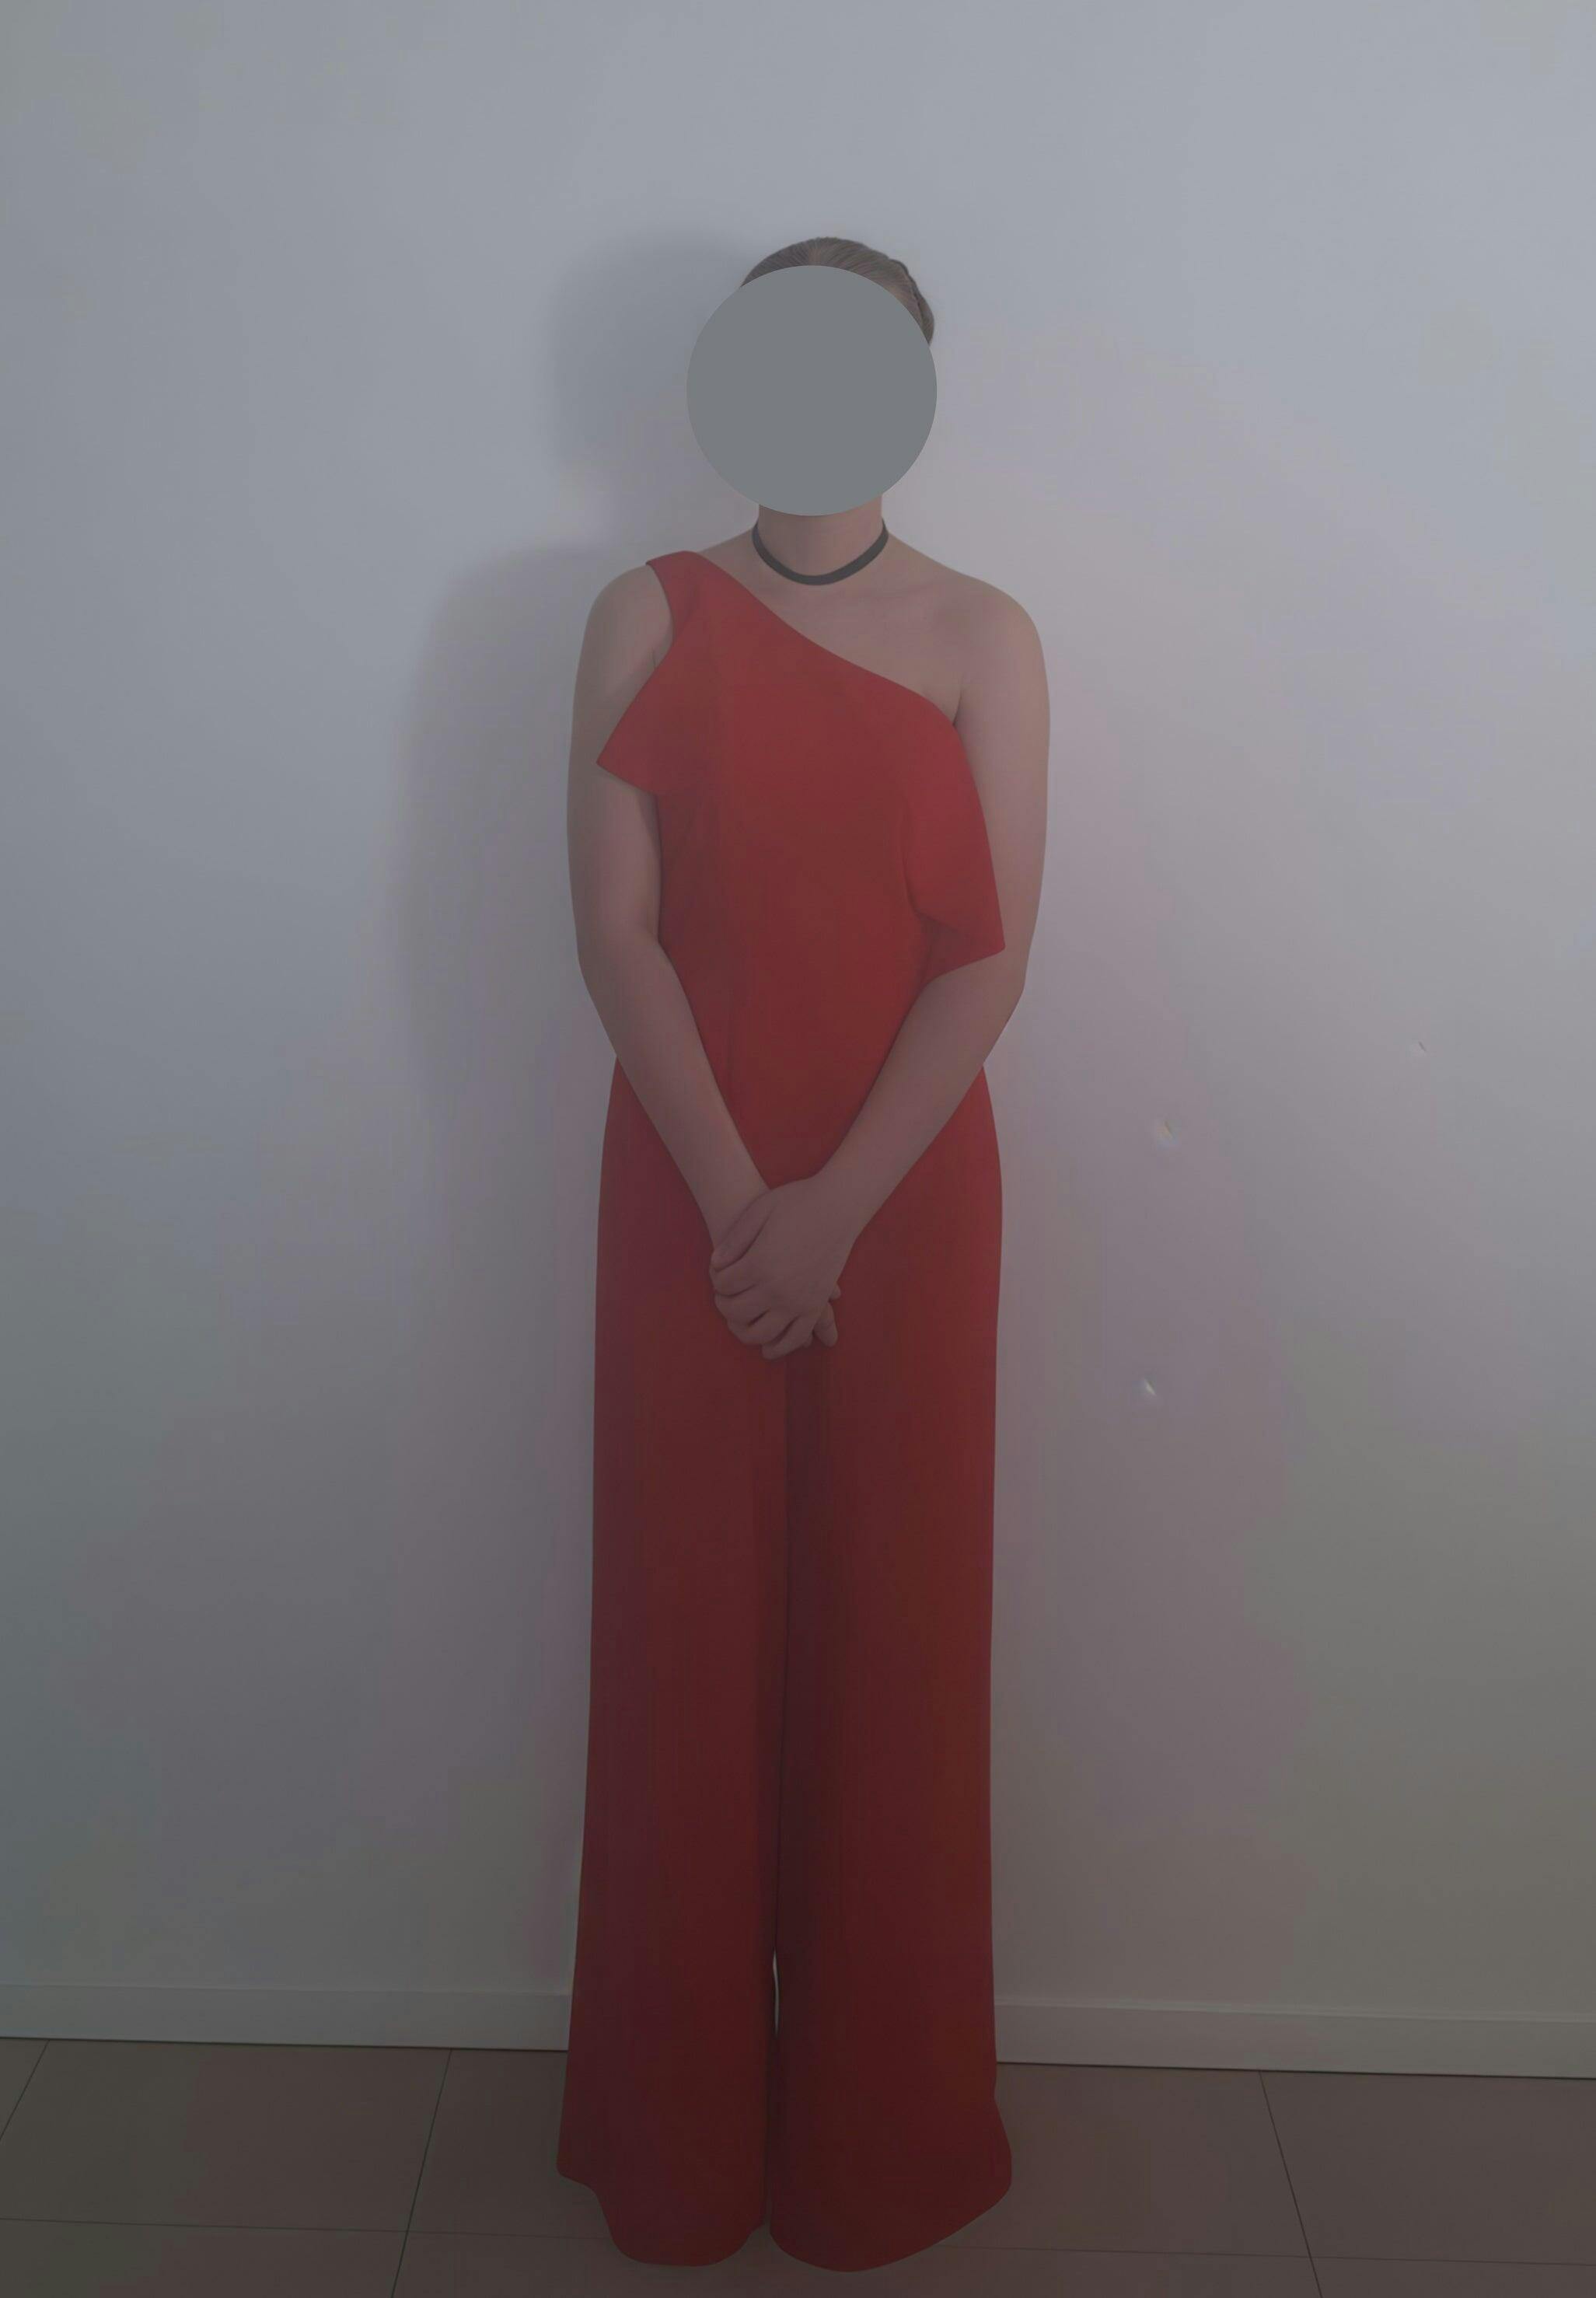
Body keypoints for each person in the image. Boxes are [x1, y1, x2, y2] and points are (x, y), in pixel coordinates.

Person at [557, 235, 1049, 2272]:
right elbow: (615, 931)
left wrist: (831, 1207)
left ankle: (877, 2147)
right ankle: (677, 2152)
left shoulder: (985, 634)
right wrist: (734, 1196)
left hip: (907, 1198)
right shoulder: (640, 611)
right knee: (685, 1641)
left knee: (894, 1645)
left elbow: (992, 955)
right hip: (682, 1183)